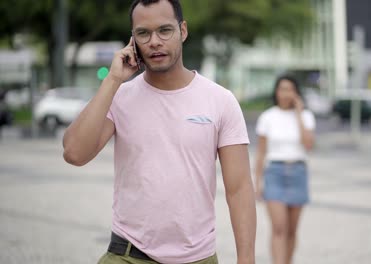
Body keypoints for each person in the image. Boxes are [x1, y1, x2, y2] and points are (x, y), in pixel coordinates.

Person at [62, 0, 256, 263]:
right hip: (128, 255)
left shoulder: (220, 100)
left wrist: (246, 259)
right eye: (143, 33)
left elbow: (240, 189)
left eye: (165, 30)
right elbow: (74, 153)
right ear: (132, 40)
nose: (154, 41)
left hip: (198, 257)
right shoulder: (119, 96)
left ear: (183, 31)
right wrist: (113, 80)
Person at [254, 75, 315, 264]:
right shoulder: (268, 117)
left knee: (291, 230)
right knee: (279, 228)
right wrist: (258, 182)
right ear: (276, 92)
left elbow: (308, 144)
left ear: (296, 92)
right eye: (282, 89)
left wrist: (298, 113)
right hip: (275, 173)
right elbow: (261, 152)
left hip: (298, 172)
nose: (285, 93)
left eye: (290, 89)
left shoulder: (306, 116)